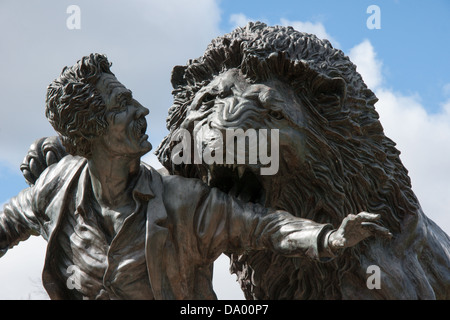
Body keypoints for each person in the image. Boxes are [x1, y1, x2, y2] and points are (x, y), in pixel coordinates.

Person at [0, 54, 391, 300]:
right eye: (123, 105)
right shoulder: (54, 189)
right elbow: (5, 226)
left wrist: (330, 236)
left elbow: (265, 226)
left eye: (133, 97)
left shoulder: (182, 201)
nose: (143, 109)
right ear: (89, 132)